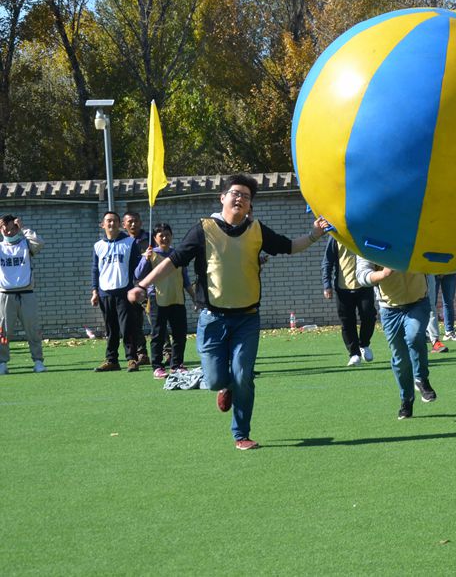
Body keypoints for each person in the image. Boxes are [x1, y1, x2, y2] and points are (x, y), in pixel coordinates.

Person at [130, 174, 330, 451]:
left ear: (250, 206)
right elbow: (173, 262)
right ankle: (224, 388)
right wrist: (142, 284)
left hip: (247, 318)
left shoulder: (257, 230)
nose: (240, 199)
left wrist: (315, 234)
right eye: (235, 193)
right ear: (222, 197)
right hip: (212, 318)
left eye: (246, 197)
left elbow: (289, 246)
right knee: (214, 380)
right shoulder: (204, 228)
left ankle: (241, 434)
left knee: (243, 375)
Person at [357, 256, 435, 419]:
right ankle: (406, 400)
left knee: (415, 336)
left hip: (418, 302)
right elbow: (362, 275)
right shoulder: (369, 239)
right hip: (390, 309)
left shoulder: (414, 232)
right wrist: (384, 274)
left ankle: (421, 379)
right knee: (400, 359)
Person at [134, 224, 194, 378]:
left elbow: (185, 279)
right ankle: (157, 366)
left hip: (177, 298)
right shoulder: (151, 254)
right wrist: (145, 259)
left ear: (171, 236)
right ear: (155, 238)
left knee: (180, 333)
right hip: (157, 299)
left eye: (167, 235)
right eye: (161, 236)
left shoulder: (177, 254)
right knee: (158, 334)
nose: (165, 238)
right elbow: (138, 275)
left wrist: (195, 297)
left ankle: (177, 364)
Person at [92, 211, 143, 372]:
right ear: (102, 224)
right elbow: (95, 269)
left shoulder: (129, 242)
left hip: (124, 291)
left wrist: (138, 287)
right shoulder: (98, 246)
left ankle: (132, 359)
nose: (111, 224)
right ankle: (112, 359)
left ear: (120, 224)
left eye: (114, 221)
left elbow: (137, 267)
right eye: (108, 221)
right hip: (105, 292)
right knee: (111, 329)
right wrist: (95, 291)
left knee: (127, 327)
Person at [0, 215, 46, 374]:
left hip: (27, 293)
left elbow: (39, 243)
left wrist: (24, 229)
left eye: (11, 226)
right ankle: (2, 362)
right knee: (3, 332)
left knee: (32, 329)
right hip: (5, 295)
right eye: (3, 227)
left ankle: (38, 361)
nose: (7, 230)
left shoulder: (25, 244)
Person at [321, 235, 376, 366]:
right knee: (346, 322)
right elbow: (327, 261)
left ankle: (364, 344)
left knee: (369, 316)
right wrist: (326, 285)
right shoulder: (335, 237)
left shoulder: (363, 233)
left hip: (364, 285)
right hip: (343, 287)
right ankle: (354, 354)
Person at [122, 211, 150, 367]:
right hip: (130, 288)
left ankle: (167, 352)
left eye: (136, 221)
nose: (133, 224)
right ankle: (142, 354)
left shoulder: (150, 238)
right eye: (130, 222)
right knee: (134, 323)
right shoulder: (123, 241)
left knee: (155, 320)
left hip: (149, 287)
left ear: (141, 222)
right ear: (124, 225)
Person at [425, 273, 456, 353]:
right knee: (431, 305)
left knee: (448, 302)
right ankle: (428, 334)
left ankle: (448, 332)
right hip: (432, 272)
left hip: (450, 271)